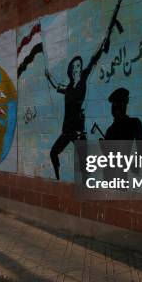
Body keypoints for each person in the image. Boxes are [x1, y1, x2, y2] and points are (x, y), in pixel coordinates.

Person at [45, 28, 113, 180]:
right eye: (74, 67)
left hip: (78, 131)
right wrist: (49, 76)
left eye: (79, 66)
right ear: (70, 70)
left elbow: (94, 59)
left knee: (84, 165)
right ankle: (57, 177)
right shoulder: (68, 88)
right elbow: (56, 86)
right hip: (66, 131)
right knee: (53, 153)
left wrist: (102, 43)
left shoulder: (83, 80)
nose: (77, 69)